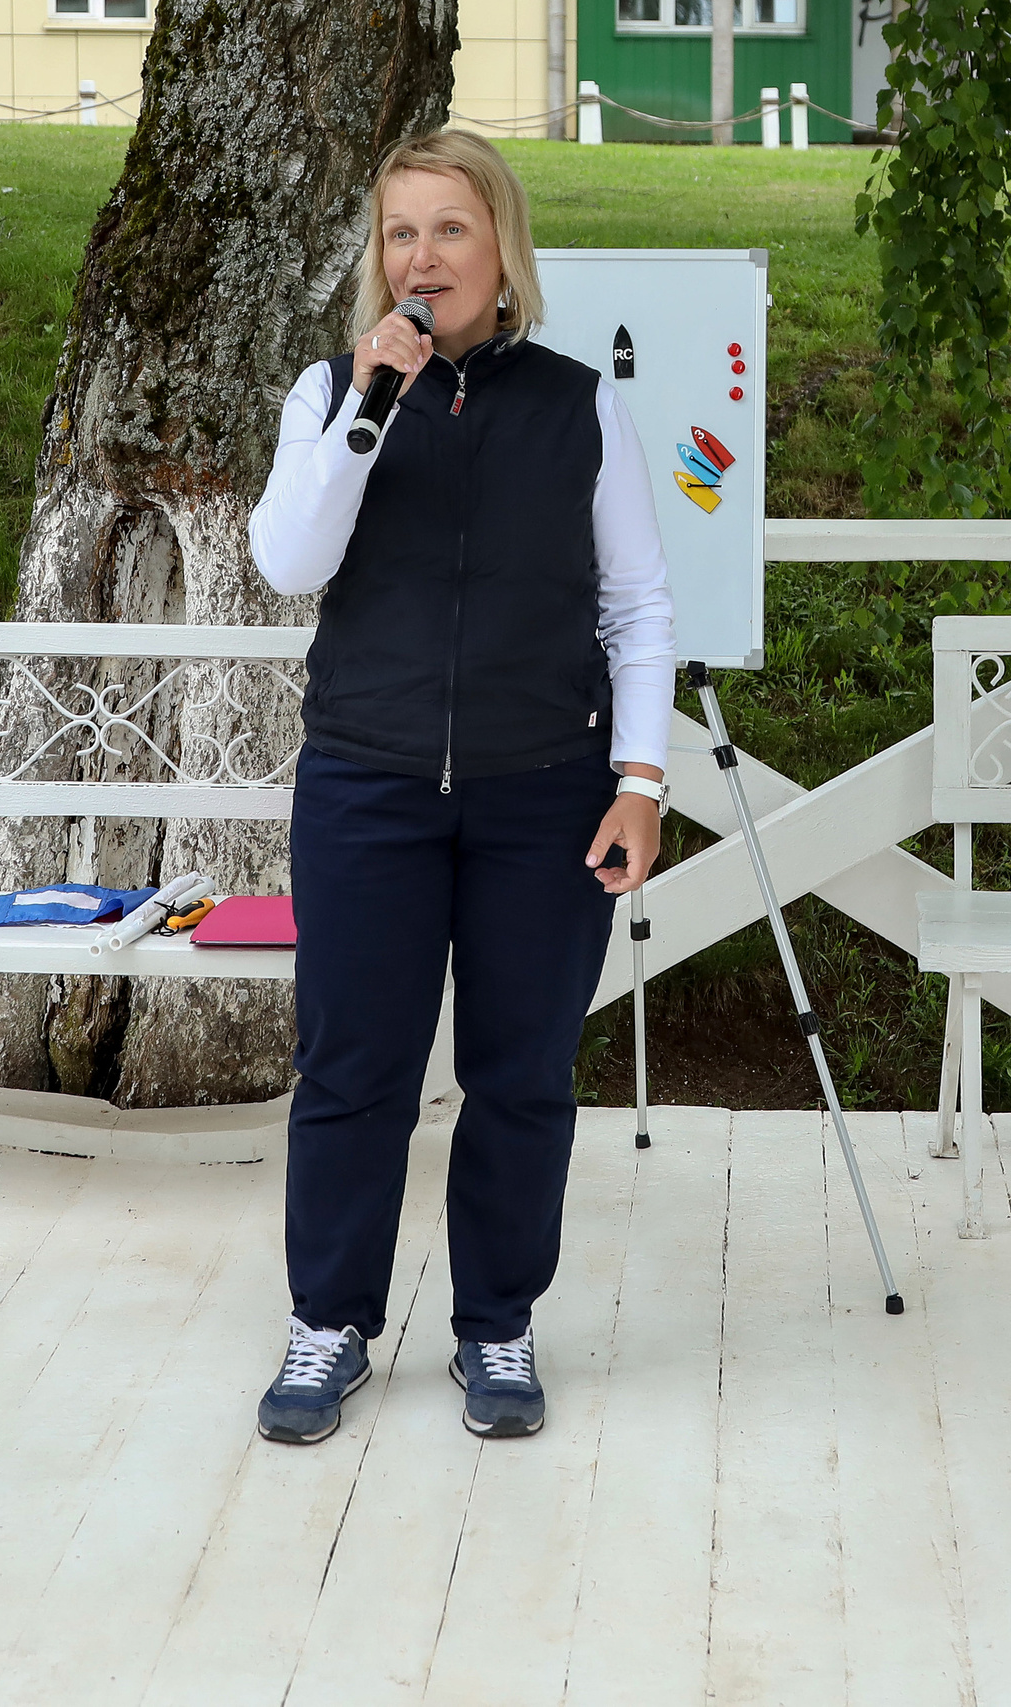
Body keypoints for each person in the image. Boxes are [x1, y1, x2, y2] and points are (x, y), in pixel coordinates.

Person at [246, 130, 677, 1443]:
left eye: (450, 229)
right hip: (366, 785)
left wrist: (640, 778)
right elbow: (290, 563)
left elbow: (638, 606)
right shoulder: (332, 393)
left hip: (542, 793)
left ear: (501, 248)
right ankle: (330, 1322)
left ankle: (497, 1323)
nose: (422, 257)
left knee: (522, 1073)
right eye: (400, 233)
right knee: (352, 1069)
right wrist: (366, 414)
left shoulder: (576, 404)